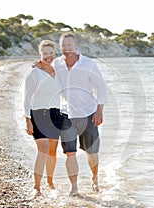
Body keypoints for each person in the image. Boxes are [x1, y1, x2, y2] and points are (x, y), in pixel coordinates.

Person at [53, 32, 107, 196]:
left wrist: (99, 110)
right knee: (70, 153)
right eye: (63, 45)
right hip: (66, 114)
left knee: (92, 152)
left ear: (75, 46)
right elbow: (45, 76)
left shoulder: (88, 63)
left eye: (69, 45)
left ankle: (95, 179)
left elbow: (101, 87)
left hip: (88, 113)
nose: (66, 48)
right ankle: (74, 187)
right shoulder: (57, 64)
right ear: (60, 47)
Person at [21, 40, 62, 197]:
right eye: (45, 53)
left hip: (55, 114)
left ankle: (50, 182)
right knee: (43, 150)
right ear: (40, 54)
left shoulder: (58, 71)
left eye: (51, 53)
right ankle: (36, 187)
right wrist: (27, 119)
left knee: (52, 151)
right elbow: (26, 98)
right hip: (38, 114)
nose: (48, 56)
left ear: (54, 54)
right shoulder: (33, 73)